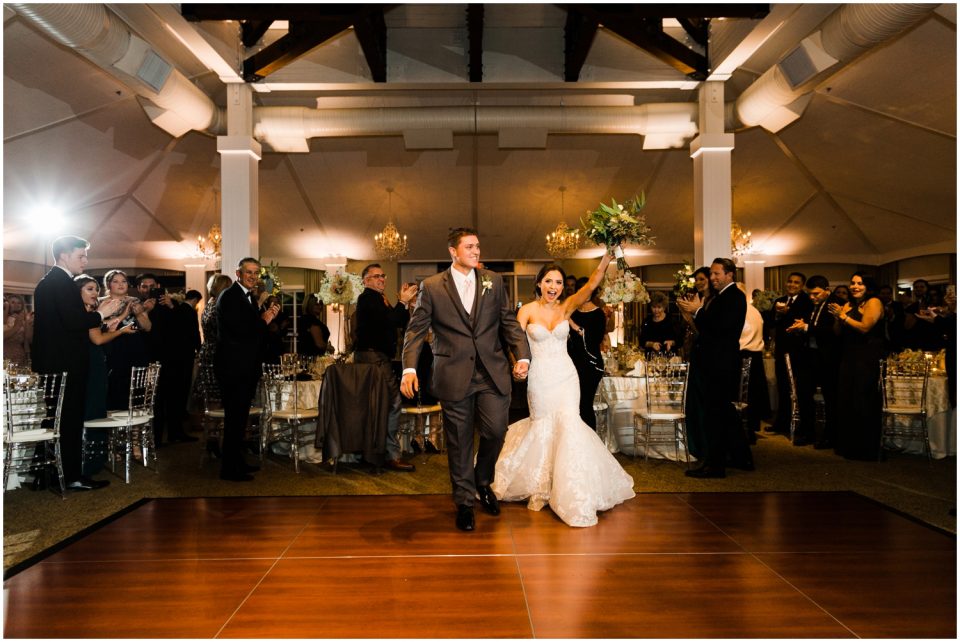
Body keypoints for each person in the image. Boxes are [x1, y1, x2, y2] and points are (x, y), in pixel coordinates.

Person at [400, 227, 531, 532]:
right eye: (470, 247)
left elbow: (507, 321)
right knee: (458, 442)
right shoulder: (432, 287)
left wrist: (522, 355)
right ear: (453, 251)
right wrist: (409, 368)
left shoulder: (493, 281)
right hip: (453, 374)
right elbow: (416, 330)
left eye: (478, 246)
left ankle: (482, 479)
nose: (476, 251)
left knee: (496, 431)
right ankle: (464, 502)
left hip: (491, 372)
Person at [492, 254, 635, 527]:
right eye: (548, 281)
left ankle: (573, 490)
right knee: (543, 426)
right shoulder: (527, 311)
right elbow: (514, 342)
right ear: (539, 283)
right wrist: (516, 365)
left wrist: (606, 258)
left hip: (567, 377)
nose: (553, 286)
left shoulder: (567, 307)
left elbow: (591, 284)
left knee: (569, 424)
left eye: (558, 282)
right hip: (539, 377)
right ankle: (541, 485)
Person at [32, 235, 123, 491]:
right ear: (64, 255)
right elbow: (73, 323)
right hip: (63, 365)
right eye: (81, 256)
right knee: (67, 422)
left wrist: (102, 322)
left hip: (59, 363)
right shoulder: (60, 283)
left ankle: (51, 475)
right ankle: (69, 476)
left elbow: (66, 325)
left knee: (59, 421)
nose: (85, 261)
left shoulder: (54, 282)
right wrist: (100, 314)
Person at [677, 258, 753, 478]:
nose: (712, 278)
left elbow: (720, 328)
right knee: (718, 414)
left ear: (730, 274)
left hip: (721, 365)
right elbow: (707, 329)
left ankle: (715, 465)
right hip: (714, 363)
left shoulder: (734, 296)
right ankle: (735, 457)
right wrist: (693, 314)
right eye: (711, 274)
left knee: (716, 415)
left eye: (716, 274)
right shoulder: (722, 297)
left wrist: (697, 310)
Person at [215, 258, 281, 481]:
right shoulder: (230, 296)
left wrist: (265, 317)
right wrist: (264, 319)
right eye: (249, 272)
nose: (253, 276)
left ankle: (238, 462)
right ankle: (229, 469)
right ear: (238, 273)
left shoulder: (248, 297)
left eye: (256, 273)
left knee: (240, 418)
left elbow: (254, 332)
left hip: (244, 367)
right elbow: (242, 331)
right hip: (233, 368)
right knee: (234, 419)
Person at [354, 263, 419, 472]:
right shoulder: (367, 298)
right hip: (373, 358)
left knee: (380, 405)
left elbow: (400, 322)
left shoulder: (380, 299)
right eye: (376, 276)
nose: (382, 279)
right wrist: (402, 301)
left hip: (378, 357)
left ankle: (375, 454)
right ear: (366, 280)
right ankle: (389, 455)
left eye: (383, 275)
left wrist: (406, 305)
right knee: (392, 402)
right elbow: (390, 321)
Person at [75, 275, 135, 476]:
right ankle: (91, 462)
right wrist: (122, 332)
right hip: (92, 365)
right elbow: (99, 339)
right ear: (78, 292)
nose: (95, 293)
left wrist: (125, 313)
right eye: (90, 289)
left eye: (96, 290)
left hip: (96, 363)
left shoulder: (89, 312)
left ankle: (94, 459)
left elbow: (108, 326)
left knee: (97, 408)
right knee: (93, 410)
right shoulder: (86, 313)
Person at [829, 273, 884, 460]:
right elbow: (837, 333)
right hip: (849, 356)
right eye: (852, 283)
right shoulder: (849, 304)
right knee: (847, 399)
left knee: (863, 399)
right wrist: (837, 318)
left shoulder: (874, 302)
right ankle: (848, 446)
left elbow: (865, 327)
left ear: (868, 286)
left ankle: (866, 449)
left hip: (867, 356)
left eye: (860, 284)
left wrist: (843, 317)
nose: (855, 286)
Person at [787, 275, 841, 449]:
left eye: (816, 294)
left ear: (827, 290)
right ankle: (808, 432)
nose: (812, 297)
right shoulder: (813, 304)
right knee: (803, 393)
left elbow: (832, 332)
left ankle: (830, 435)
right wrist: (802, 326)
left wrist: (807, 327)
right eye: (810, 294)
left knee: (830, 397)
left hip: (828, 357)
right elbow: (813, 325)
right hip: (810, 355)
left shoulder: (835, 303)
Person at [147, 284, 201, 445]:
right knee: (160, 399)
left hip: (177, 359)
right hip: (159, 359)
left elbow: (180, 330)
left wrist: (171, 306)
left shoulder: (174, 308)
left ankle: (174, 432)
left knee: (176, 397)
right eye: (145, 287)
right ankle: (158, 437)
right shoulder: (143, 306)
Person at [100, 269, 153, 409]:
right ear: (108, 284)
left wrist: (140, 314)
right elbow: (99, 328)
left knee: (136, 390)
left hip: (135, 347)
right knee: (115, 389)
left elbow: (147, 327)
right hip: (112, 347)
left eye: (123, 281)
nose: (121, 284)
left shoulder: (135, 301)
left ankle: (134, 426)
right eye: (115, 281)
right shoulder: (101, 304)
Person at [771, 272, 813, 437]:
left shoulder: (807, 301)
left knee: (799, 390)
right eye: (790, 281)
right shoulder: (779, 301)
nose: (792, 285)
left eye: (796, 282)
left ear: (802, 285)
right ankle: (782, 421)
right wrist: (777, 313)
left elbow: (802, 323)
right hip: (781, 349)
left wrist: (788, 312)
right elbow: (772, 323)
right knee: (782, 386)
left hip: (799, 351)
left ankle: (801, 425)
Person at [679, 267, 711, 458]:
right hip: (697, 356)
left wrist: (691, 316)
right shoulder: (699, 301)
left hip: (706, 358)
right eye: (696, 280)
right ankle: (697, 446)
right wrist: (688, 317)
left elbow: (704, 332)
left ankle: (702, 447)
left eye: (702, 279)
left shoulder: (709, 303)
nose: (699, 282)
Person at [567, 282, 608, 430]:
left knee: (585, 403)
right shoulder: (572, 311)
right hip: (573, 364)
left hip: (591, 365)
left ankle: (591, 444)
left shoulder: (598, 314)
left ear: (592, 292)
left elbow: (595, 340)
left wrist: (575, 326)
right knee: (573, 405)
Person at [738, 284, 767, 445]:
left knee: (742, 396)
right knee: (752, 395)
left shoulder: (739, 311)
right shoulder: (755, 311)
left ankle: (744, 430)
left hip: (743, 356)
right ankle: (751, 428)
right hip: (756, 357)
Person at [4, 294, 33, 368]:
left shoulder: (24, 320)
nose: (16, 305)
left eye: (19, 303)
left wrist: (28, 356)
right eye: (13, 302)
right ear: (7, 304)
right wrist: (17, 326)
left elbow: (28, 340)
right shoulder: (3, 318)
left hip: (19, 355)